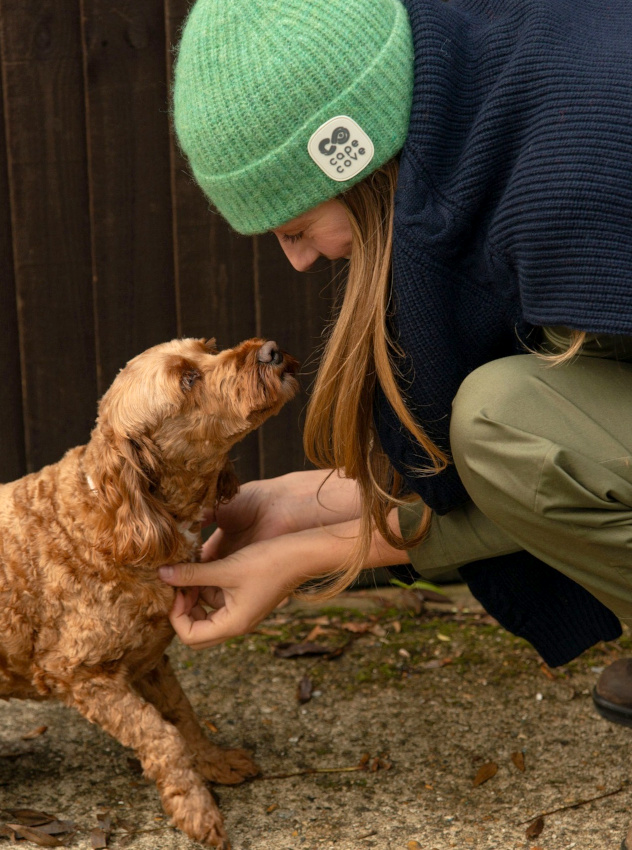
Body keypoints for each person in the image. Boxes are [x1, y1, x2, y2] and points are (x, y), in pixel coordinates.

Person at [160, 0, 632, 748]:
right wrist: (305, 505)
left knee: (499, 416)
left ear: (345, 148)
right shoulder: (495, 87)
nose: (299, 259)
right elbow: (595, 441)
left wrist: (314, 557)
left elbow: (541, 459)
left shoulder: (570, 193)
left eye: (293, 227)